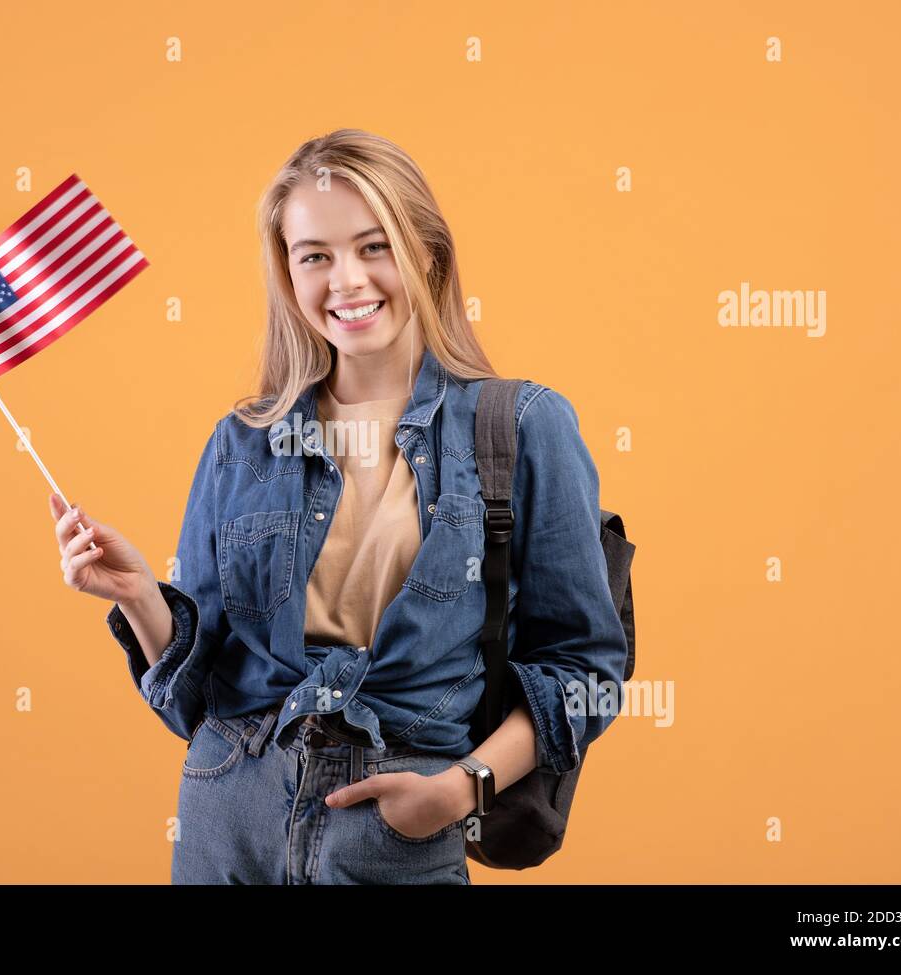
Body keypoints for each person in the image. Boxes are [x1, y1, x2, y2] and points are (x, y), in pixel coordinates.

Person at [48, 129, 629, 884]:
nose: (346, 280)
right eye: (314, 255)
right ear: (288, 275)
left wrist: (460, 790)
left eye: (373, 246)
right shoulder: (243, 441)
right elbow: (193, 700)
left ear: (427, 254)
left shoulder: (520, 426)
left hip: (394, 831)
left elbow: (584, 668)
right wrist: (136, 598)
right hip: (229, 821)